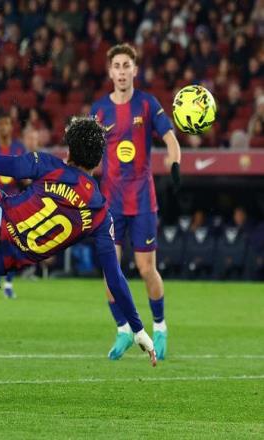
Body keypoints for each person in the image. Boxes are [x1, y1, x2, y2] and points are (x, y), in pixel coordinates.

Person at [0, 75, 157, 366]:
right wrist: (138, 329)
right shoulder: (101, 214)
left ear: (69, 150)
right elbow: (114, 277)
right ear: (99, 161)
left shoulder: (50, 165)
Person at [90, 43, 182, 361]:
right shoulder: (99, 110)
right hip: (111, 204)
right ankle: (123, 330)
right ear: (110, 71)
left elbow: (170, 138)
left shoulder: (147, 104)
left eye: (126, 65)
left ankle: (160, 326)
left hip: (142, 200)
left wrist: (175, 164)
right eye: (116, 66)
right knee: (110, 270)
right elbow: (86, 151)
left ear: (134, 70)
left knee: (146, 269)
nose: (121, 71)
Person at [0, 114, 26, 298]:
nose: (4, 127)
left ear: (11, 127)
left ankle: (9, 283)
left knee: (14, 241)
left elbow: (26, 172)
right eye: (1, 124)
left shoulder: (19, 148)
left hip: (14, 200)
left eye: (7, 124)